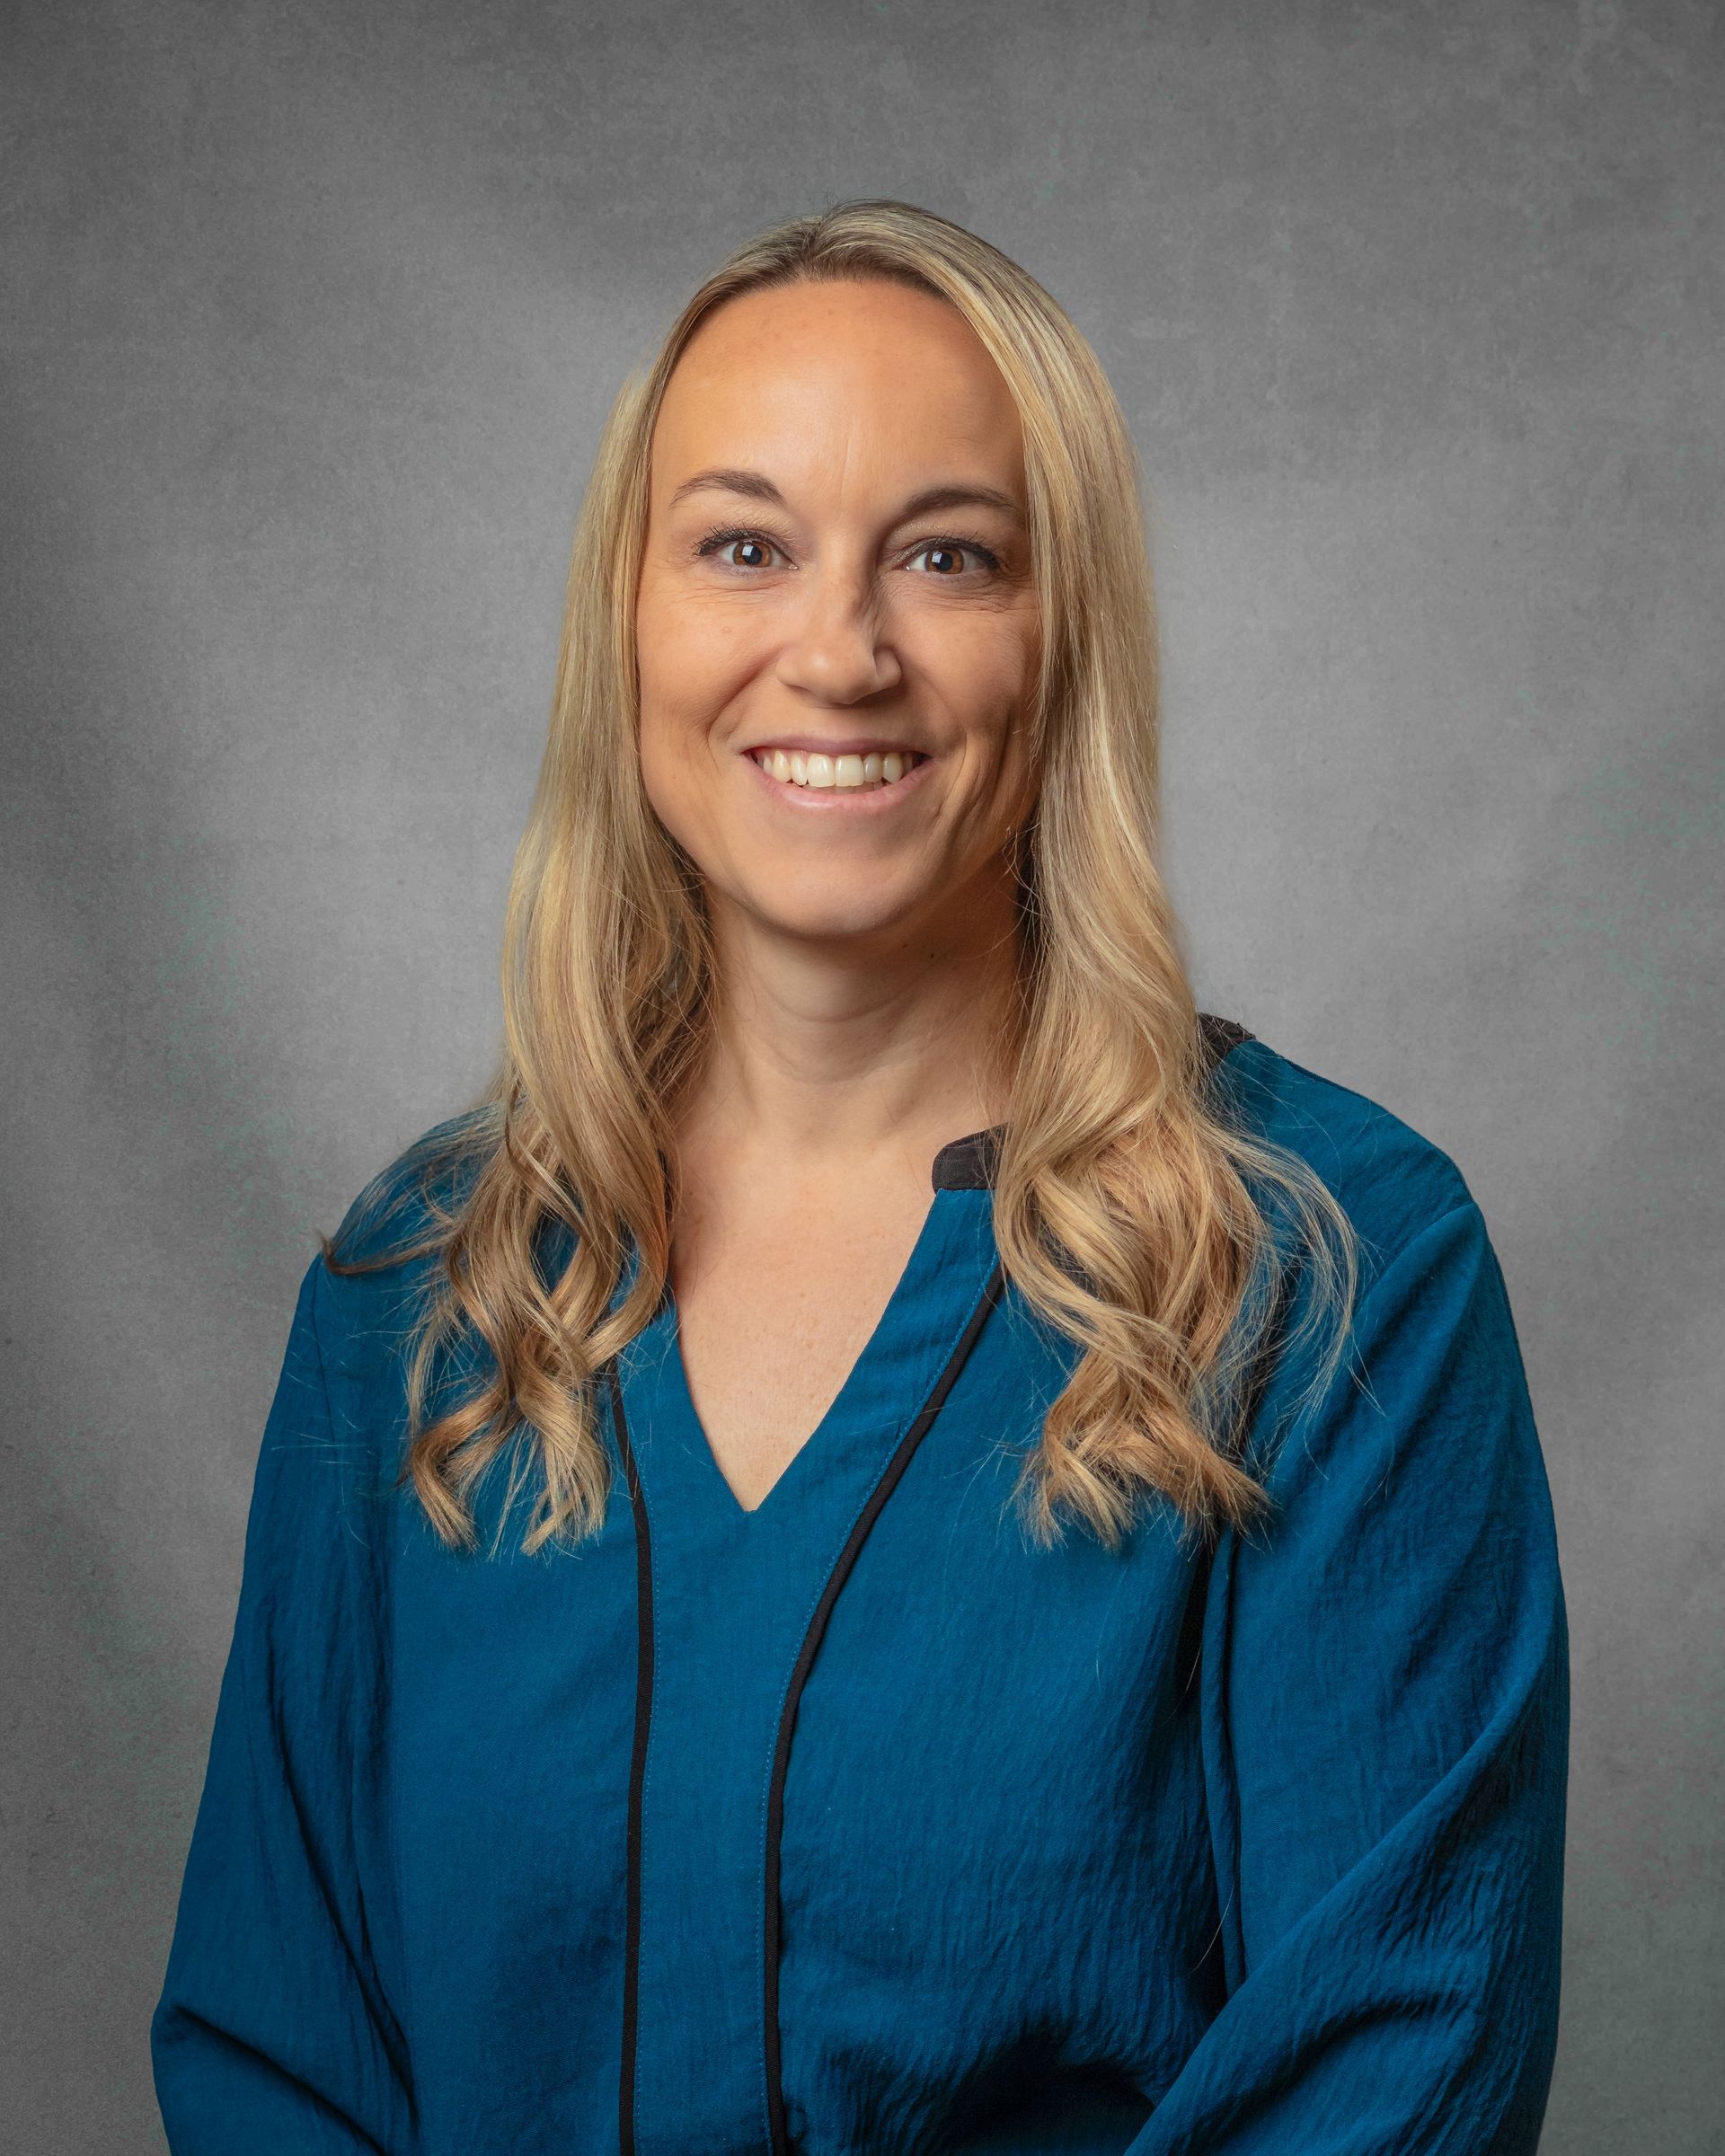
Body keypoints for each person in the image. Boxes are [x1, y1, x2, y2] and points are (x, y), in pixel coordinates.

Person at [150, 200, 1569, 2155]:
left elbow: (1386, 2080)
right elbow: (277, 2058)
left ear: (1059, 641)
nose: (840, 650)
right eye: (743, 546)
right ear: (627, 624)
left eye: (947, 556)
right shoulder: (420, 1297)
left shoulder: (1332, 1278)